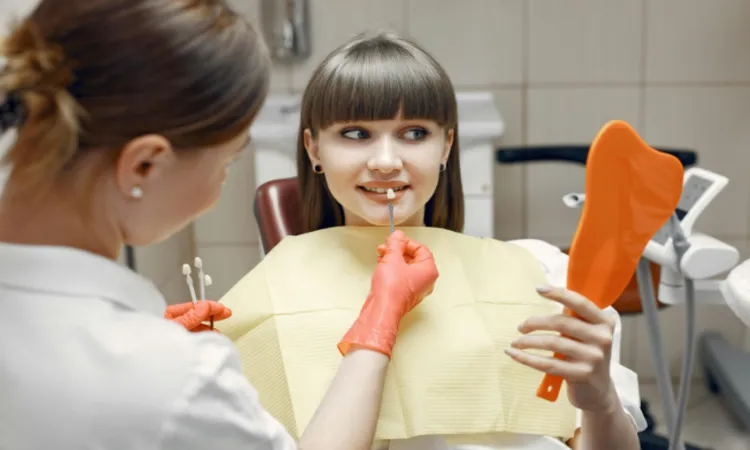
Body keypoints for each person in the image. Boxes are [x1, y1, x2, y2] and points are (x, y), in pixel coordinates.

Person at [0, 2, 438, 449]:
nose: (386, 162)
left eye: (415, 133)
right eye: (227, 161)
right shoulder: (171, 377)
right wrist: (379, 321)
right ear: (145, 165)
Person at [218, 32, 647, 450]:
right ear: (313, 149)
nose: (385, 162)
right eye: (355, 134)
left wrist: (601, 402)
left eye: (414, 133)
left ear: (447, 146)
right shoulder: (270, 291)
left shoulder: (541, 270)